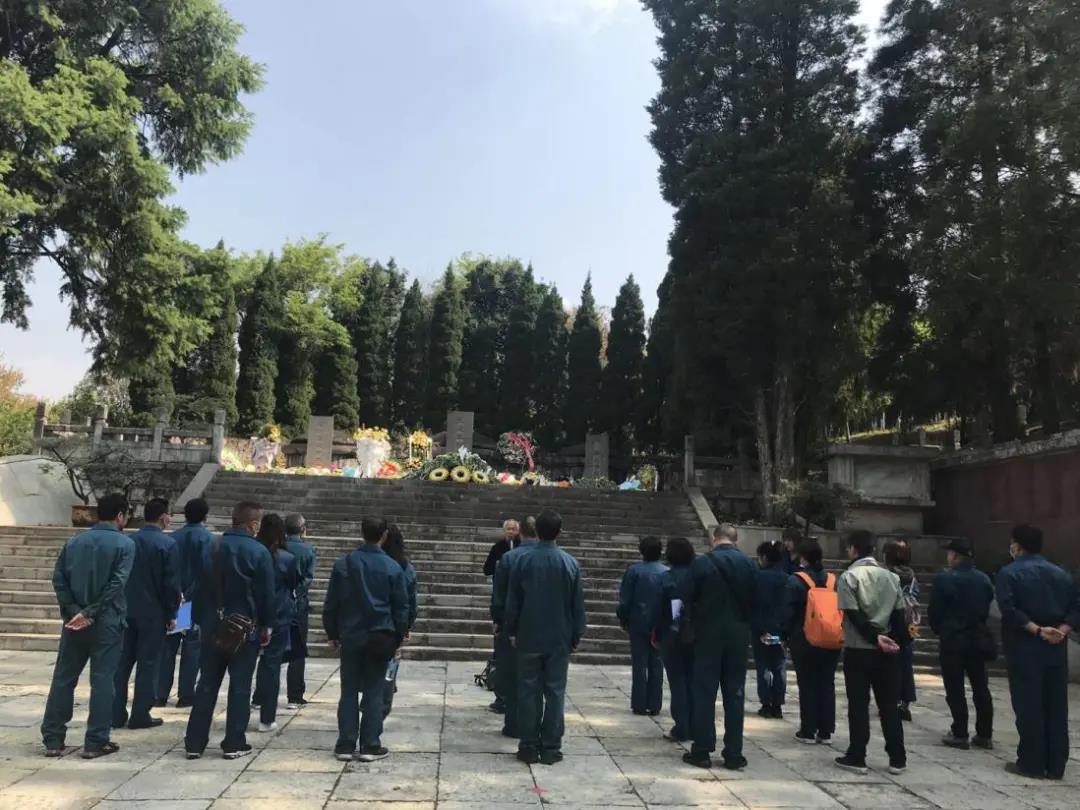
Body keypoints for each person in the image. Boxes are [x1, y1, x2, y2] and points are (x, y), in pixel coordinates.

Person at [41, 493, 135, 759]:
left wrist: (74, 611)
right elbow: (117, 584)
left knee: (64, 678)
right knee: (103, 681)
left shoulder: (74, 542)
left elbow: (58, 578)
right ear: (120, 515)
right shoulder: (125, 544)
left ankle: (53, 738)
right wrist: (91, 612)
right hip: (107, 621)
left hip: (74, 622)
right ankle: (95, 741)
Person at [184, 501, 275, 760]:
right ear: (253, 524)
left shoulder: (211, 546)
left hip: (212, 624)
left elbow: (197, 586)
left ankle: (194, 743)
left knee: (206, 684)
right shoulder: (259, 552)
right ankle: (234, 742)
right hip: (244, 627)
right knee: (240, 686)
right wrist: (267, 625)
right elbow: (266, 595)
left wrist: (199, 619)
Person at [995, 524, 1080, 779]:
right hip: (1056, 646)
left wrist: (1038, 630)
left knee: (1028, 704)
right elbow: (1076, 607)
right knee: (1056, 705)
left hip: (1025, 646)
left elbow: (1009, 610)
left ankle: (1031, 762)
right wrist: (1062, 630)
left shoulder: (1009, 573)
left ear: (1017, 545)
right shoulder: (1062, 573)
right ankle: (1056, 764)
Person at [323, 516, 408, 763]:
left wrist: (332, 633)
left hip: (351, 634)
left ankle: (345, 743)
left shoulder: (344, 564)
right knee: (373, 689)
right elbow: (401, 607)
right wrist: (399, 636)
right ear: (384, 535)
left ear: (362, 533)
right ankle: (370, 744)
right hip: (380, 634)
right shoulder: (393, 567)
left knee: (348, 689)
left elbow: (332, 603)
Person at [504, 509, 586, 766]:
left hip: (528, 633)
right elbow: (577, 604)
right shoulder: (570, 563)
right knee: (555, 691)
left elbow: (513, 602)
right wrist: (577, 633)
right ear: (560, 532)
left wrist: (511, 630)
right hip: (559, 636)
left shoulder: (521, 561)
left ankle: (528, 745)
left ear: (536, 531)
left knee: (528, 690)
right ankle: (551, 746)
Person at [681, 524, 757, 770]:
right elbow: (758, 599)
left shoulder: (702, 563)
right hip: (738, 635)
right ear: (736, 540)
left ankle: (702, 749)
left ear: (714, 538)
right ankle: (734, 753)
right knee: (735, 693)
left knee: (704, 692)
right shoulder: (750, 565)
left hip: (707, 634)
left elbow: (686, 595)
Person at [834, 530, 909, 776]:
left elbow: (853, 615)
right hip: (887, 650)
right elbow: (899, 617)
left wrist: (873, 637)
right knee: (889, 705)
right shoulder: (892, 578)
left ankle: (857, 755)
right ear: (874, 550)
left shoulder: (848, 577)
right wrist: (892, 641)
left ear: (853, 549)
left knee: (858, 704)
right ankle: (897, 757)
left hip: (859, 649)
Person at [112, 498, 180, 730]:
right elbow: (170, 584)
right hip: (154, 612)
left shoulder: (129, 541)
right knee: (148, 663)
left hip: (127, 609)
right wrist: (172, 613)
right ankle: (140, 713)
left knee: (122, 663)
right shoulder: (167, 544)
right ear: (163, 517)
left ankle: (115, 712)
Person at [928, 539, 994, 751]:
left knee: (955, 687)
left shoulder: (944, 579)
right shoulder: (984, 579)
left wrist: (940, 629)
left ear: (955, 556)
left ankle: (960, 731)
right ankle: (984, 733)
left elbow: (935, 611)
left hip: (953, 639)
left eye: (949, 554)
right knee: (980, 686)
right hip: (978, 638)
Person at [156, 497, 213, 708]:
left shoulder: (172, 538)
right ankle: (186, 694)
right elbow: (208, 571)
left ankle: (160, 692)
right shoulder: (208, 540)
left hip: (175, 599)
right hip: (196, 600)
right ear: (205, 516)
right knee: (192, 647)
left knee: (168, 647)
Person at [785, 538, 841, 744]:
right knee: (827, 682)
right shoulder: (834, 581)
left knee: (807, 683)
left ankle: (808, 730)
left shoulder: (796, 580)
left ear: (803, 558)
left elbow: (787, 612)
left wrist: (784, 635)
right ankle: (825, 731)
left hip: (804, 639)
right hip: (831, 638)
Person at [490, 516, 540, 738]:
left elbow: (499, 595)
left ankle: (513, 724)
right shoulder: (562, 560)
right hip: (542, 627)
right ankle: (535, 727)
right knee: (538, 681)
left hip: (513, 625)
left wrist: (499, 621)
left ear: (521, 532)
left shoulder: (510, 558)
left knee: (512, 676)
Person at [251, 513, 299, 732]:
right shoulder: (287, 559)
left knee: (244, 667)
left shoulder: (253, 553)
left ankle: (243, 713)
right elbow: (293, 584)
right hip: (279, 616)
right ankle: (267, 718)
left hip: (251, 615)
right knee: (272, 667)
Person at [617, 535, 668, 716]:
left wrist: (623, 618)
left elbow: (625, 600)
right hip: (660, 624)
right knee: (657, 663)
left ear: (641, 551)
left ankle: (639, 703)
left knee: (639, 663)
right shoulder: (666, 572)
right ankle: (654, 703)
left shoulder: (634, 571)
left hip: (638, 621)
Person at [655, 536, 696, 743]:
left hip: (671, 635)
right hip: (697, 634)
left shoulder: (666, 578)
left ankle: (682, 726)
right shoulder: (699, 576)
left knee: (677, 681)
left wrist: (656, 634)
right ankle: (696, 724)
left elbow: (658, 610)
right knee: (694, 681)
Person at [486, 518, 522, 713]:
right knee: (501, 655)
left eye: (514, 529)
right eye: (508, 529)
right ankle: (501, 697)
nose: (511, 532)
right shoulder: (498, 547)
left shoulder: (523, 549)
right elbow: (486, 569)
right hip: (503, 598)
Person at [381, 524, 418, 718]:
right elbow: (410, 601)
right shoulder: (405, 568)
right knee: (390, 666)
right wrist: (406, 626)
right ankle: (383, 702)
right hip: (394, 626)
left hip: (371, 624)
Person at [752, 540, 788, 719]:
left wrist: (760, 628)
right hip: (779, 630)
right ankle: (778, 704)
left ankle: (766, 703)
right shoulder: (786, 578)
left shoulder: (757, 577)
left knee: (763, 665)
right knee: (779, 666)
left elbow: (753, 604)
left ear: (764, 557)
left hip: (761, 629)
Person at [285, 512, 317, 710]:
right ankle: (294, 696)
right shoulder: (308, 550)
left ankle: (260, 697)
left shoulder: (277, 547)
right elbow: (308, 578)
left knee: (270, 650)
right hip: (298, 605)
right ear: (303, 529)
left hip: (278, 603)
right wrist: (296, 594)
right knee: (297, 650)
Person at [884, 539, 919, 721]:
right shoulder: (912, 575)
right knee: (906, 663)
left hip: (891, 621)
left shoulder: (888, 575)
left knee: (890, 664)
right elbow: (915, 595)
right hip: (909, 623)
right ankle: (905, 702)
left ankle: (892, 699)